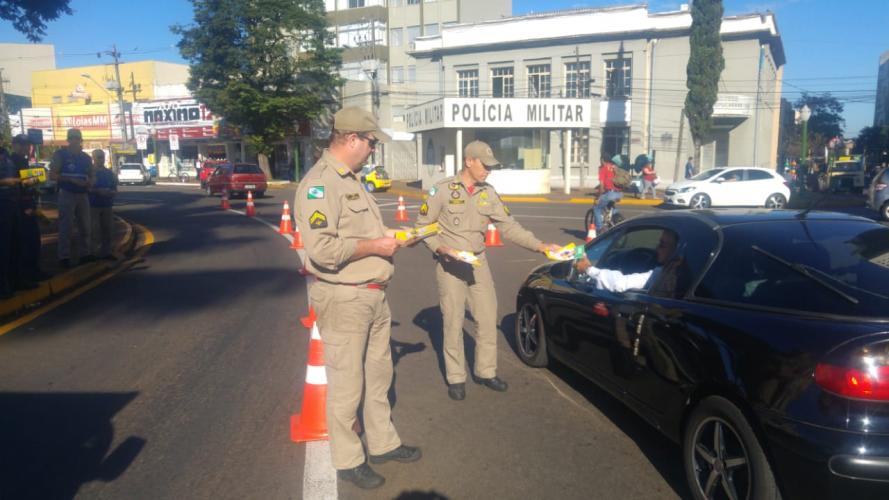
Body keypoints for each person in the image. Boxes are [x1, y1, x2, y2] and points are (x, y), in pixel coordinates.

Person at [294, 107, 420, 490]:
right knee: (347, 384)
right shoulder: (319, 185)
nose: (371, 150)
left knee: (379, 377)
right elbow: (323, 251)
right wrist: (376, 246)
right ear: (351, 139)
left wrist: (395, 237)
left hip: (373, 295)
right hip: (345, 298)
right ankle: (348, 459)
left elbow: (368, 232)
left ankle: (382, 443)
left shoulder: (352, 181)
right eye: (369, 142)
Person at [416, 140, 561, 402]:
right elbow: (423, 226)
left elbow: (510, 226)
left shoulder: (489, 193)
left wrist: (541, 246)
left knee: (486, 317)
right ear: (469, 161)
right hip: (450, 266)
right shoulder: (442, 189)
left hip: (478, 264)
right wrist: (441, 249)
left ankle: (485, 371)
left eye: (491, 166)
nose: (488, 171)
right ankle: (456, 377)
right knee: (453, 322)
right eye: (485, 165)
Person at [575, 230, 678, 293]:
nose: (656, 249)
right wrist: (576, 251)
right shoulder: (682, 274)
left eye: (662, 245)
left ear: (676, 251)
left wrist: (588, 268)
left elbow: (619, 284)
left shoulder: (661, 275)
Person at [50, 128, 94, 268]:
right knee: (66, 226)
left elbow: (92, 175)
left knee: (85, 226)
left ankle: (85, 254)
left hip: (82, 194)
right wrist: (70, 180)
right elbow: (52, 175)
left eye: (77, 138)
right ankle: (64, 256)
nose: (75, 141)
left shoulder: (86, 158)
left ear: (81, 140)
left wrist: (90, 182)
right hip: (67, 193)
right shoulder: (60, 154)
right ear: (68, 140)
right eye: (72, 138)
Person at [10, 134, 43, 287]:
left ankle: (33, 271)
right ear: (14, 145)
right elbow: (17, 183)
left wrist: (33, 188)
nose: (26, 148)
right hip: (18, 206)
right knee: (22, 242)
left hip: (28, 203)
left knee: (33, 239)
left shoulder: (23, 161)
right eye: (22, 145)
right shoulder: (11, 162)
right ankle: (22, 277)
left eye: (27, 145)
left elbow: (26, 183)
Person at [89, 149, 117, 261]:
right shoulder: (89, 172)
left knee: (108, 229)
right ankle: (94, 253)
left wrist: (111, 193)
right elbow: (86, 188)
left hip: (107, 204)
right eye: (98, 157)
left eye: (102, 156)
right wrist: (97, 191)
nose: (101, 159)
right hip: (93, 205)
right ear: (93, 158)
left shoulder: (109, 173)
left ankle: (107, 252)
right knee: (93, 230)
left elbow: (115, 188)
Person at [0, 147, 20, 298]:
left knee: (12, 245)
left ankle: (13, 280)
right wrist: (5, 181)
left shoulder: (6, 155)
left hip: (11, 204)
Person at [594, 155, 623, 229]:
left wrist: (597, 197)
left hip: (610, 193)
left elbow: (602, 187)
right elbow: (610, 180)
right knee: (610, 206)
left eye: (600, 160)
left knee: (596, 208)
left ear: (602, 160)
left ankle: (599, 230)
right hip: (619, 193)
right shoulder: (614, 167)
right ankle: (616, 219)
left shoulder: (603, 169)